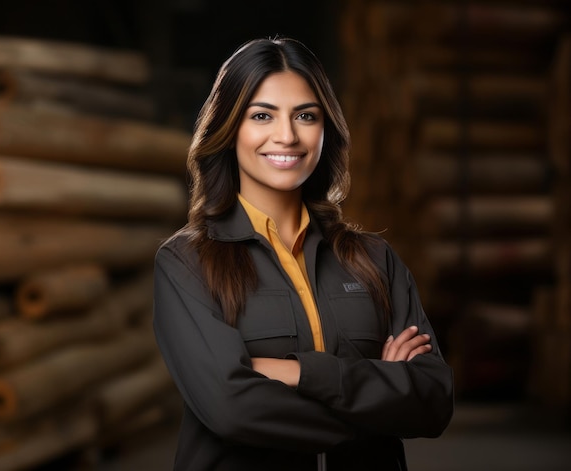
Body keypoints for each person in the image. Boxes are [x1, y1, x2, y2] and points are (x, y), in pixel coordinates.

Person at [153, 37, 454, 471]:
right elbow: (231, 407)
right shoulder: (185, 262)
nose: (288, 136)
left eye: (306, 116)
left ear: (324, 127)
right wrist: (381, 398)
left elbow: (433, 399)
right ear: (229, 128)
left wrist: (296, 373)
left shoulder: (374, 259)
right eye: (262, 116)